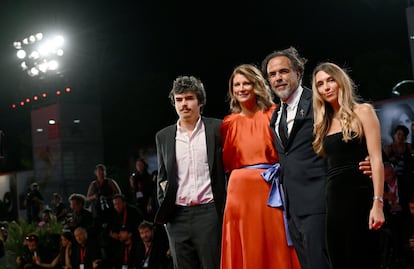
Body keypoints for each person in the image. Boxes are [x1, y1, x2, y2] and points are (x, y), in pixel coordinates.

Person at [261, 47, 372, 269]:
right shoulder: (275, 114)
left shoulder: (319, 102)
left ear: (298, 73)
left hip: (322, 203)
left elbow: (351, 126)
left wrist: (371, 159)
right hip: (293, 209)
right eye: (272, 74)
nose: (278, 78)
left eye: (283, 71)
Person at [220, 64, 300, 269]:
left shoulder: (273, 113)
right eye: (236, 84)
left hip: (269, 189)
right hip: (239, 193)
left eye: (246, 83)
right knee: (246, 243)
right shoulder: (228, 123)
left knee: (275, 240)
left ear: (256, 85)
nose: (241, 88)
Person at [311, 62, 385, 268]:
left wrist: (377, 204)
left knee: (364, 258)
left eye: (330, 80)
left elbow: (377, 159)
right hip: (334, 201)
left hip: (360, 197)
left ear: (340, 81)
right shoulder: (323, 124)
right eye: (320, 84)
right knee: (339, 258)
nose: (326, 87)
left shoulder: (363, 111)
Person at [154, 75, 226, 269]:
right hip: (177, 216)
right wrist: (166, 209)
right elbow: (162, 177)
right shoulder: (163, 136)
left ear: (200, 101)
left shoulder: (218, 128)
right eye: (179, 99)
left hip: (209, 213)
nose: (183, 104)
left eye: (189, 98)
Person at [383, 124, 414, 214]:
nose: (401, 137)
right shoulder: (389, 148)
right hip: (392, 179)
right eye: (399, 134)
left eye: (403, 135)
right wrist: (390, 161)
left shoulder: (408, 147)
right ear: (394, 135)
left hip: (407, 178)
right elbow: (383, 163)